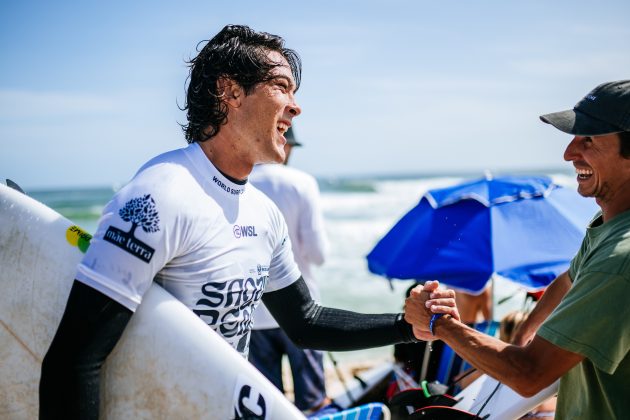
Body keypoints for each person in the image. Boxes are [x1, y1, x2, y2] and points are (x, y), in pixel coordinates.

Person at [39, 25, 458, 419]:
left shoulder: (263, 212)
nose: (296, 106)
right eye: (281, 87)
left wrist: (407, 327)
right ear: (229, 91)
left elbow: (304, 321)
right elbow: (75, 358)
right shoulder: (160, 196)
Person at [405, 80, 630, 418]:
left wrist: (440, 322)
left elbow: (530, 375)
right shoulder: (608, 225)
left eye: (589, 139)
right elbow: (569, 279)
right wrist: (524, 334)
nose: (569, 153)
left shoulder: (619, 259)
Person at [248, 127, 332, 414]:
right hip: (300, 310)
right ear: (286, 145)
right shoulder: (301, 183)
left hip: (252, 314)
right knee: (312, 403)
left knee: (269, 407)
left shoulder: (237, 181)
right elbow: (318, 254)